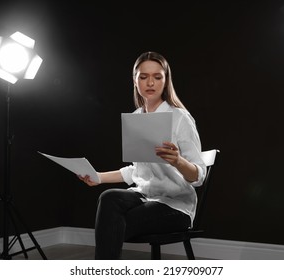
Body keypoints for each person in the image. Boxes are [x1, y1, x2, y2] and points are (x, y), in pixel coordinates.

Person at [78, 51, 206, 259]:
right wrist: (98, 177)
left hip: (176, 205)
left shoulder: (180, 117)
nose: (150, 83)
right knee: (108, 197)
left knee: (114, 224)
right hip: (144, 196)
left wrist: (179, 161)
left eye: (157, 77)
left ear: (166, 81)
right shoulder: (137, 116)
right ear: (135, 80)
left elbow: (199, 177)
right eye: (143, 76)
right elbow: (136, 172)